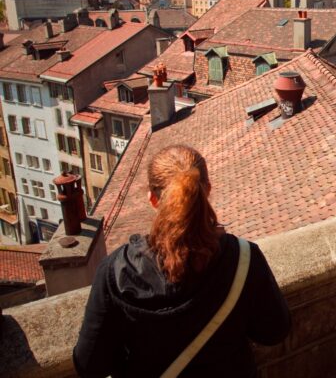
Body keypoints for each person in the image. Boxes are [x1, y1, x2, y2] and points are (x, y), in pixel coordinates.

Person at [73, 145, 291, 378]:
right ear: (207, 190)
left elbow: (90, 365)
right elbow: (274, 331)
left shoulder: (116, 272)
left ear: (153, 199)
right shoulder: (243, 258)